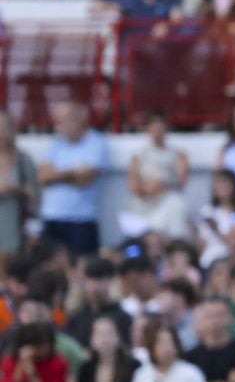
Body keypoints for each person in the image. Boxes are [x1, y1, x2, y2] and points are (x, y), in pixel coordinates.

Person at [36, 101, 108, 257]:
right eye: (58, 121)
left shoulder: (96, 142)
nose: (61, 126)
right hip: (52, 217)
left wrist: (56, 175)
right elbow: (43, 177)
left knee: (82, 268)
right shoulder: (56, 144)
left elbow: (85, 180)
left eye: (65, 120)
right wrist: (72, 172)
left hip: (81, 220)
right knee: (48, 268)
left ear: (80, 118)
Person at [125, 111, 191, 240]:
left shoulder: (178, 154)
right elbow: (133, 185)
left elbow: (181, 182)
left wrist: (162, 186)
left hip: (166, 202)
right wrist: (147, 190)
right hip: (144, 203)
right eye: (154, 128)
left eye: (161, 128)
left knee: (176, 205)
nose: (157, 132)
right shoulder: (138, 155)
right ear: (148, 129)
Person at [0, 113, 39, 271]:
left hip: (13, 229)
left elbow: (36, 197)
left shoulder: (23, 159)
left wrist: (15, 189)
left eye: (4, 128)